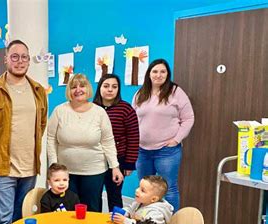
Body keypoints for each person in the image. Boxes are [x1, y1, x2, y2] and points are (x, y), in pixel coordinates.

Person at [0, 39, 48, 224]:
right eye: (15, 56)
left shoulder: (38, 91)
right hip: (2, 168)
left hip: (29, 167)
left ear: (29, 61)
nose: (19, 61)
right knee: (3, 220)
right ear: (6, 59)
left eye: (24, 57)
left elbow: (41, 124)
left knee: (22, 217)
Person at [47, 73, 123, 212]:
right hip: (65, 172)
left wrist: (115, 166)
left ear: (88, 89)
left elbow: (108, 141)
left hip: (94, 171)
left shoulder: (99, 112)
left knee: (91, 209)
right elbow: (51, 139)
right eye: (73, 87)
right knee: (67, 209)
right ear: (68, 91)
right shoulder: (59, 111)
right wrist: (53, 166)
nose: (78, 90)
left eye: (82, 86)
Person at [133, 59, 194, 212]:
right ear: (149, 74)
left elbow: (188, 118)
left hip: (167, 151)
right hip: (142, 150)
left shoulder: (175, 92)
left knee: (169, 187)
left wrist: (176, 139)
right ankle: (147, 220)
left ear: (168, 74)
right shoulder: (141, 93)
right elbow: (133, 119)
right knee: (144, 188)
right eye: (155, 71)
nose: (158, 75)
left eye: (162, 71)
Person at [93, 74, 139, 211]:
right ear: (100, 88)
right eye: (106, 86)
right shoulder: (92, 108)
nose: (110, 90)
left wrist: (129, 163)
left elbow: (133, 137)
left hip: (117, 159)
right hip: (94, 159)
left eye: (114, 87)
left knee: (114, 194)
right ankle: (95, 223)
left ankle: (116, 223)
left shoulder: (126, 109)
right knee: (94, 194)